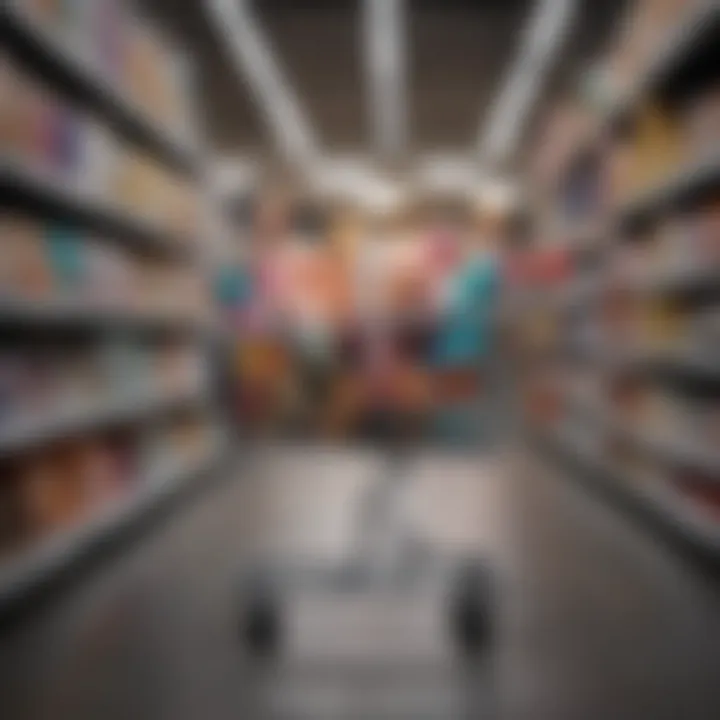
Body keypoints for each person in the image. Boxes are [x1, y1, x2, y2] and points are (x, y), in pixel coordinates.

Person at [430, 212, 501, 444]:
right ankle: (454, 439)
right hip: (449, 351)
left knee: (461, 401)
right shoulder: (449, 276)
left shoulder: (476, 271)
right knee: (450, 402)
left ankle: (461, 441)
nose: (441, 254)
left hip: (464, 350)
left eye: (444, 248)